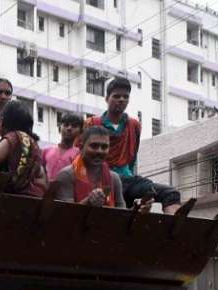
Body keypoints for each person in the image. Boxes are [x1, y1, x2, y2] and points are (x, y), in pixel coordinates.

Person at [81, 76, 183, 214]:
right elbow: (80, 156)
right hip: (102, 180)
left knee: (170, 193)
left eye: (125, 97)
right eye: (116, 96)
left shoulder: (134, 125)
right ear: (107, 98)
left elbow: (132, 158)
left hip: (128, 180)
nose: (121, 99)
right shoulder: (91, 123)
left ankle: (174, 231)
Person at [52, 125, 125, 208]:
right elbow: (65, 215)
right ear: (81, 146)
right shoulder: (66, 175)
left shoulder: (114, 178)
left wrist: (137, 210)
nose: (99, 151)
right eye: (94, 146)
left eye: (104, 147)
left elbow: (123, 214)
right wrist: (88, 202)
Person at [42, 113, 83, 180]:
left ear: (80, 132)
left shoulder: (80, 155)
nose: (69, 128)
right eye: (66, 125)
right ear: (59, 128)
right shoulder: (46, 151)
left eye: (74, 126)